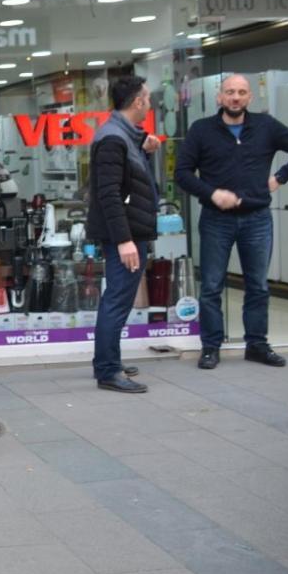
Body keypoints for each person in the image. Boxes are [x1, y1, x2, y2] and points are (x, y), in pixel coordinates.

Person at [175, 74, 288, 370]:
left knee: (258, 286)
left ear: (249, 98)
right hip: (216, 219)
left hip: (257, 218)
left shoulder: (266, 126)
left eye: (241, 92)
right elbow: (182, 173)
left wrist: (280, 178)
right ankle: (211, 347)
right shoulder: (201, 130)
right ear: (219, 96)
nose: (235, 97)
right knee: (212, 287)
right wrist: (212, 193)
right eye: (230, 92)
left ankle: (257, 345)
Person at [87, 75, 161, 393]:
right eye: (147, 97)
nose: (149, 103)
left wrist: (144, 151)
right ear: (137, 102)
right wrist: (124, 240)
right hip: (126, 234)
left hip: (131, 231)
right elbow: (109, 194)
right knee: (117, 299)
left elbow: (127, 181)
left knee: (118, 298)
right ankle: (108, 370)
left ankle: (109, 360)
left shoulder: (125, 136)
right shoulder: (113, 138)